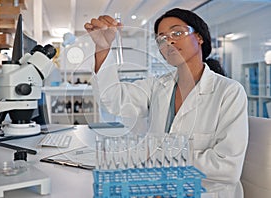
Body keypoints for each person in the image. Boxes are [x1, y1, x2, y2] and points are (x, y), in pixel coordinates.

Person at [84, 8, 248, 198]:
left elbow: (227, 167)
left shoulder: (229, 92)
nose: (168, 41)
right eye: (161, 38)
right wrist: (102, 47)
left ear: (199, 37)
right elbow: (114, 99)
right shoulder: (158, 85)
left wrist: (160, 157)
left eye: (177, 33)